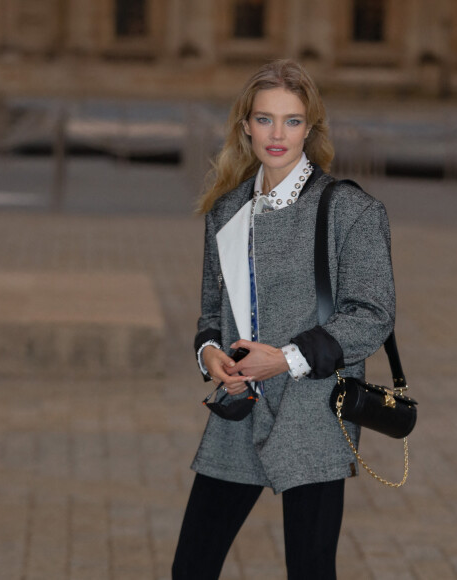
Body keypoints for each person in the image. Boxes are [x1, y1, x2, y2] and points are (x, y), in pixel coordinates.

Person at [172, 59, 395, 579]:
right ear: (245, 125)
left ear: (310, 129)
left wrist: (286, 359)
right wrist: (210, 355)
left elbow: (373, 315)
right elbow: (211, 312)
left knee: (311, 570)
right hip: (238, 409)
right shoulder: (226, 212)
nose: (277, 134)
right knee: (192, 566)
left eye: (292, 121)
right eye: (265, 119)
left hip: (312, 414)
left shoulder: (350, 210)